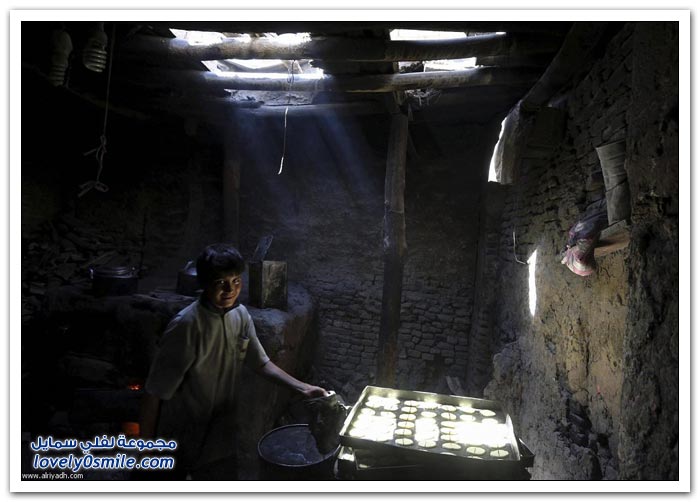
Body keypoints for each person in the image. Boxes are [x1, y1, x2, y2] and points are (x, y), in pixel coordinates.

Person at [139, 243, 326, 480]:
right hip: (181, 435)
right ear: (205, 283)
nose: (230, 289)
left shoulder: (240, 316)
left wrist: (304, 388)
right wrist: (145, 449)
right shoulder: (186, 326)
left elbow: (261, 363)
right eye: (221, 282)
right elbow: (153, 393)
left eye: (236, 281)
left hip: (220, 437)